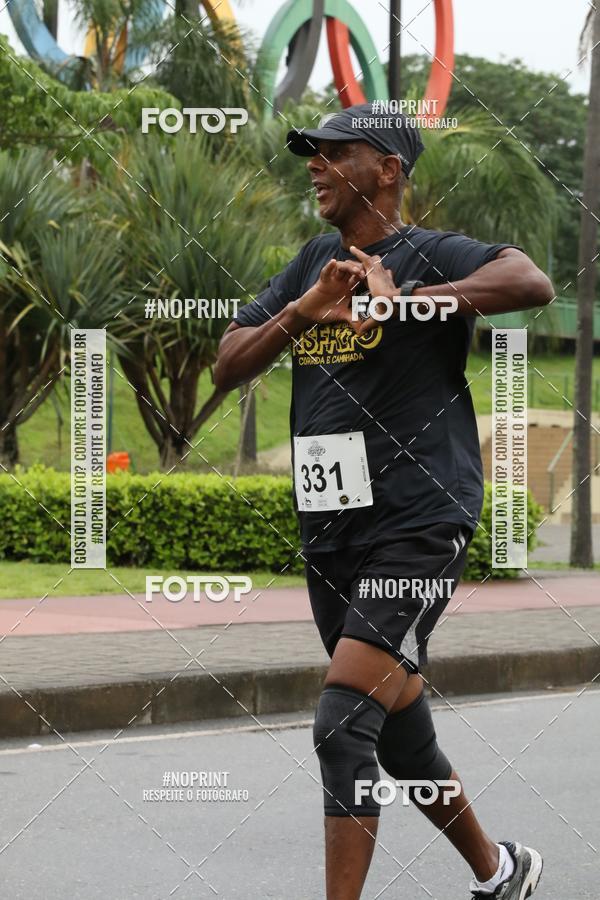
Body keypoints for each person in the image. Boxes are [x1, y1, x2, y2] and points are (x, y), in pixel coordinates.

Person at [214, 103, 552, 899]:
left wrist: (405, 303)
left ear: (388, 169)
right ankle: (502, 870)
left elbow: (527, 279)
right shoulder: (308, 266)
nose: (315, 166)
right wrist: (303, 311)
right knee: (398, 734)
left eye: (335, 152)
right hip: (332, 529)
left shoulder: (428, 254)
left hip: (419, 517)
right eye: (312, 153)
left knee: (341, 725)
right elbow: (228, 363)